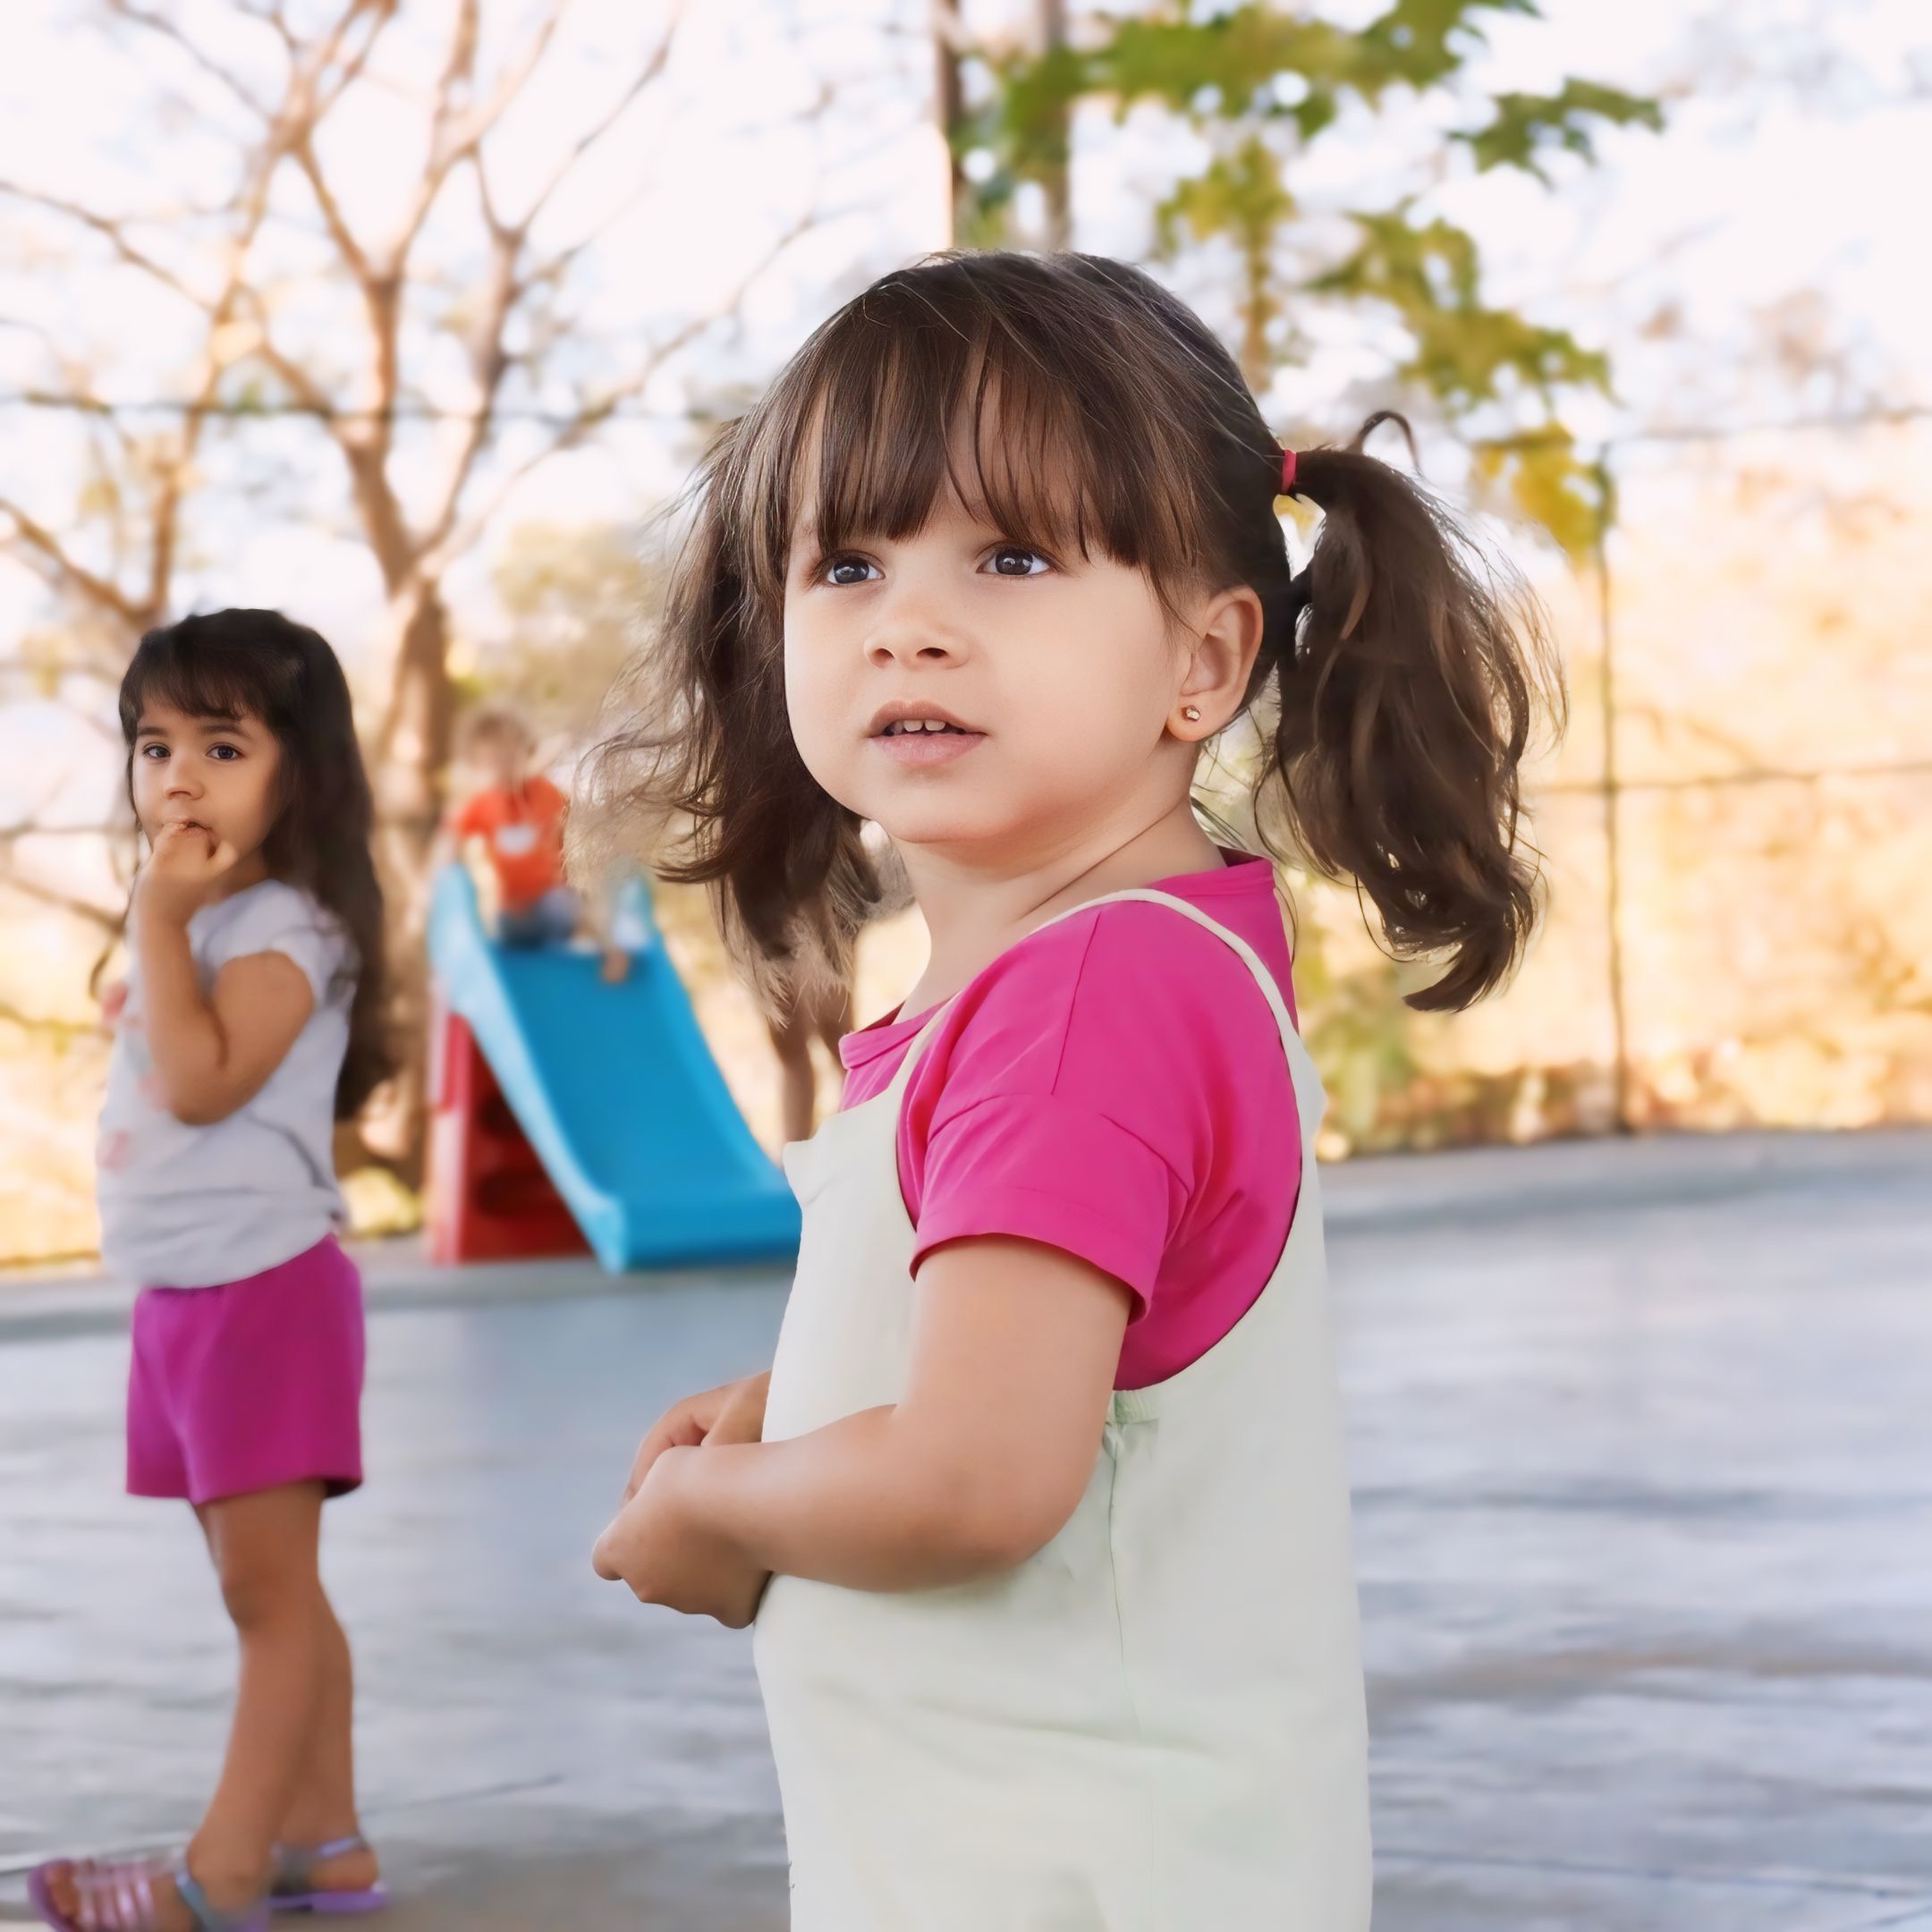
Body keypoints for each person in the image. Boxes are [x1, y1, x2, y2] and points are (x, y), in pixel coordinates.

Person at [581, 251, 1557, 1928]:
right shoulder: (1113, 969)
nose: (912, 615)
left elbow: (977, 1478)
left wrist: (719, 1510)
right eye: (849, 561)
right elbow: (1076, 1369)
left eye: (1012, 555)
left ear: (1204, 658)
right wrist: (810, 1397)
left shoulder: (1086, 997)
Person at [32, 611, 392, 1932]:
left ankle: (223, 1871)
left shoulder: (285, 929)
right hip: (184, 1295)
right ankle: (326, 1844)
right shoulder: (213, 915)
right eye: (155, 744)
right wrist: (165, 927)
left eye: (222, 746)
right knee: (275, 1592)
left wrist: (156, 915)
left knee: (267, 1600)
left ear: (301, 773)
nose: (177, 777)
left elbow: (196, 1087)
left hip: (263, 1291)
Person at [445, 707, 628, 982]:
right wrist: (452, 879)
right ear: (478, 765)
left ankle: (610, 953)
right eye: (493, 761)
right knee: (508, 932)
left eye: (509, 757)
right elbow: (452, 843)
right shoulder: (481, 805)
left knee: (566, 906)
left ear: (525, 753)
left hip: (552, 898)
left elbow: (583, 814)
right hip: (513, 911)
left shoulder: (545, 792)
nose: (503, 769)